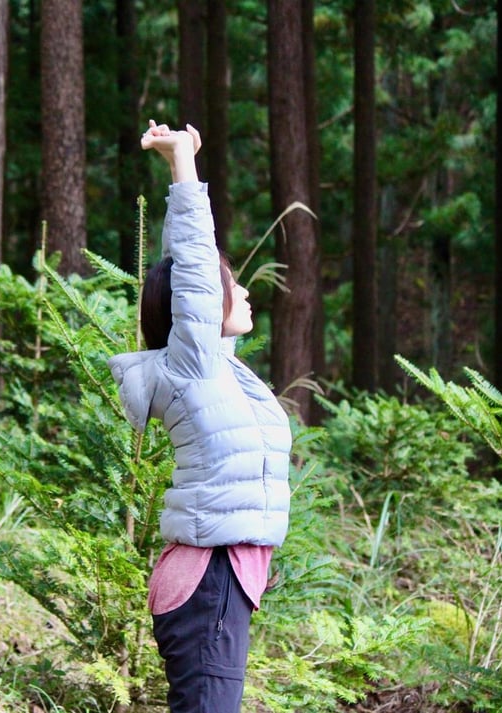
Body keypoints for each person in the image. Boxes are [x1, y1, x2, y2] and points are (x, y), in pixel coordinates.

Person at [107, 121, 292, 712]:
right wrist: (182, 163)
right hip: (209, 579)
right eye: (229, 284)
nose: (242, 294)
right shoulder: (194, 365)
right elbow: (189, 262)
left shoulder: (223, 373)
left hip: (222, 579)